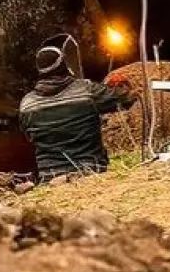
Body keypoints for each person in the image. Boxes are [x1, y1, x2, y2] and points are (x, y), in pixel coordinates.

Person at [17, 34, 138, 183]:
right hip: (90, 172)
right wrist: (122, 84)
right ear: (64, 65)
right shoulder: (87, 91)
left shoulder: (26, 105)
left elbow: (29, 137)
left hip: (49, 178)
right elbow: (127, 99)